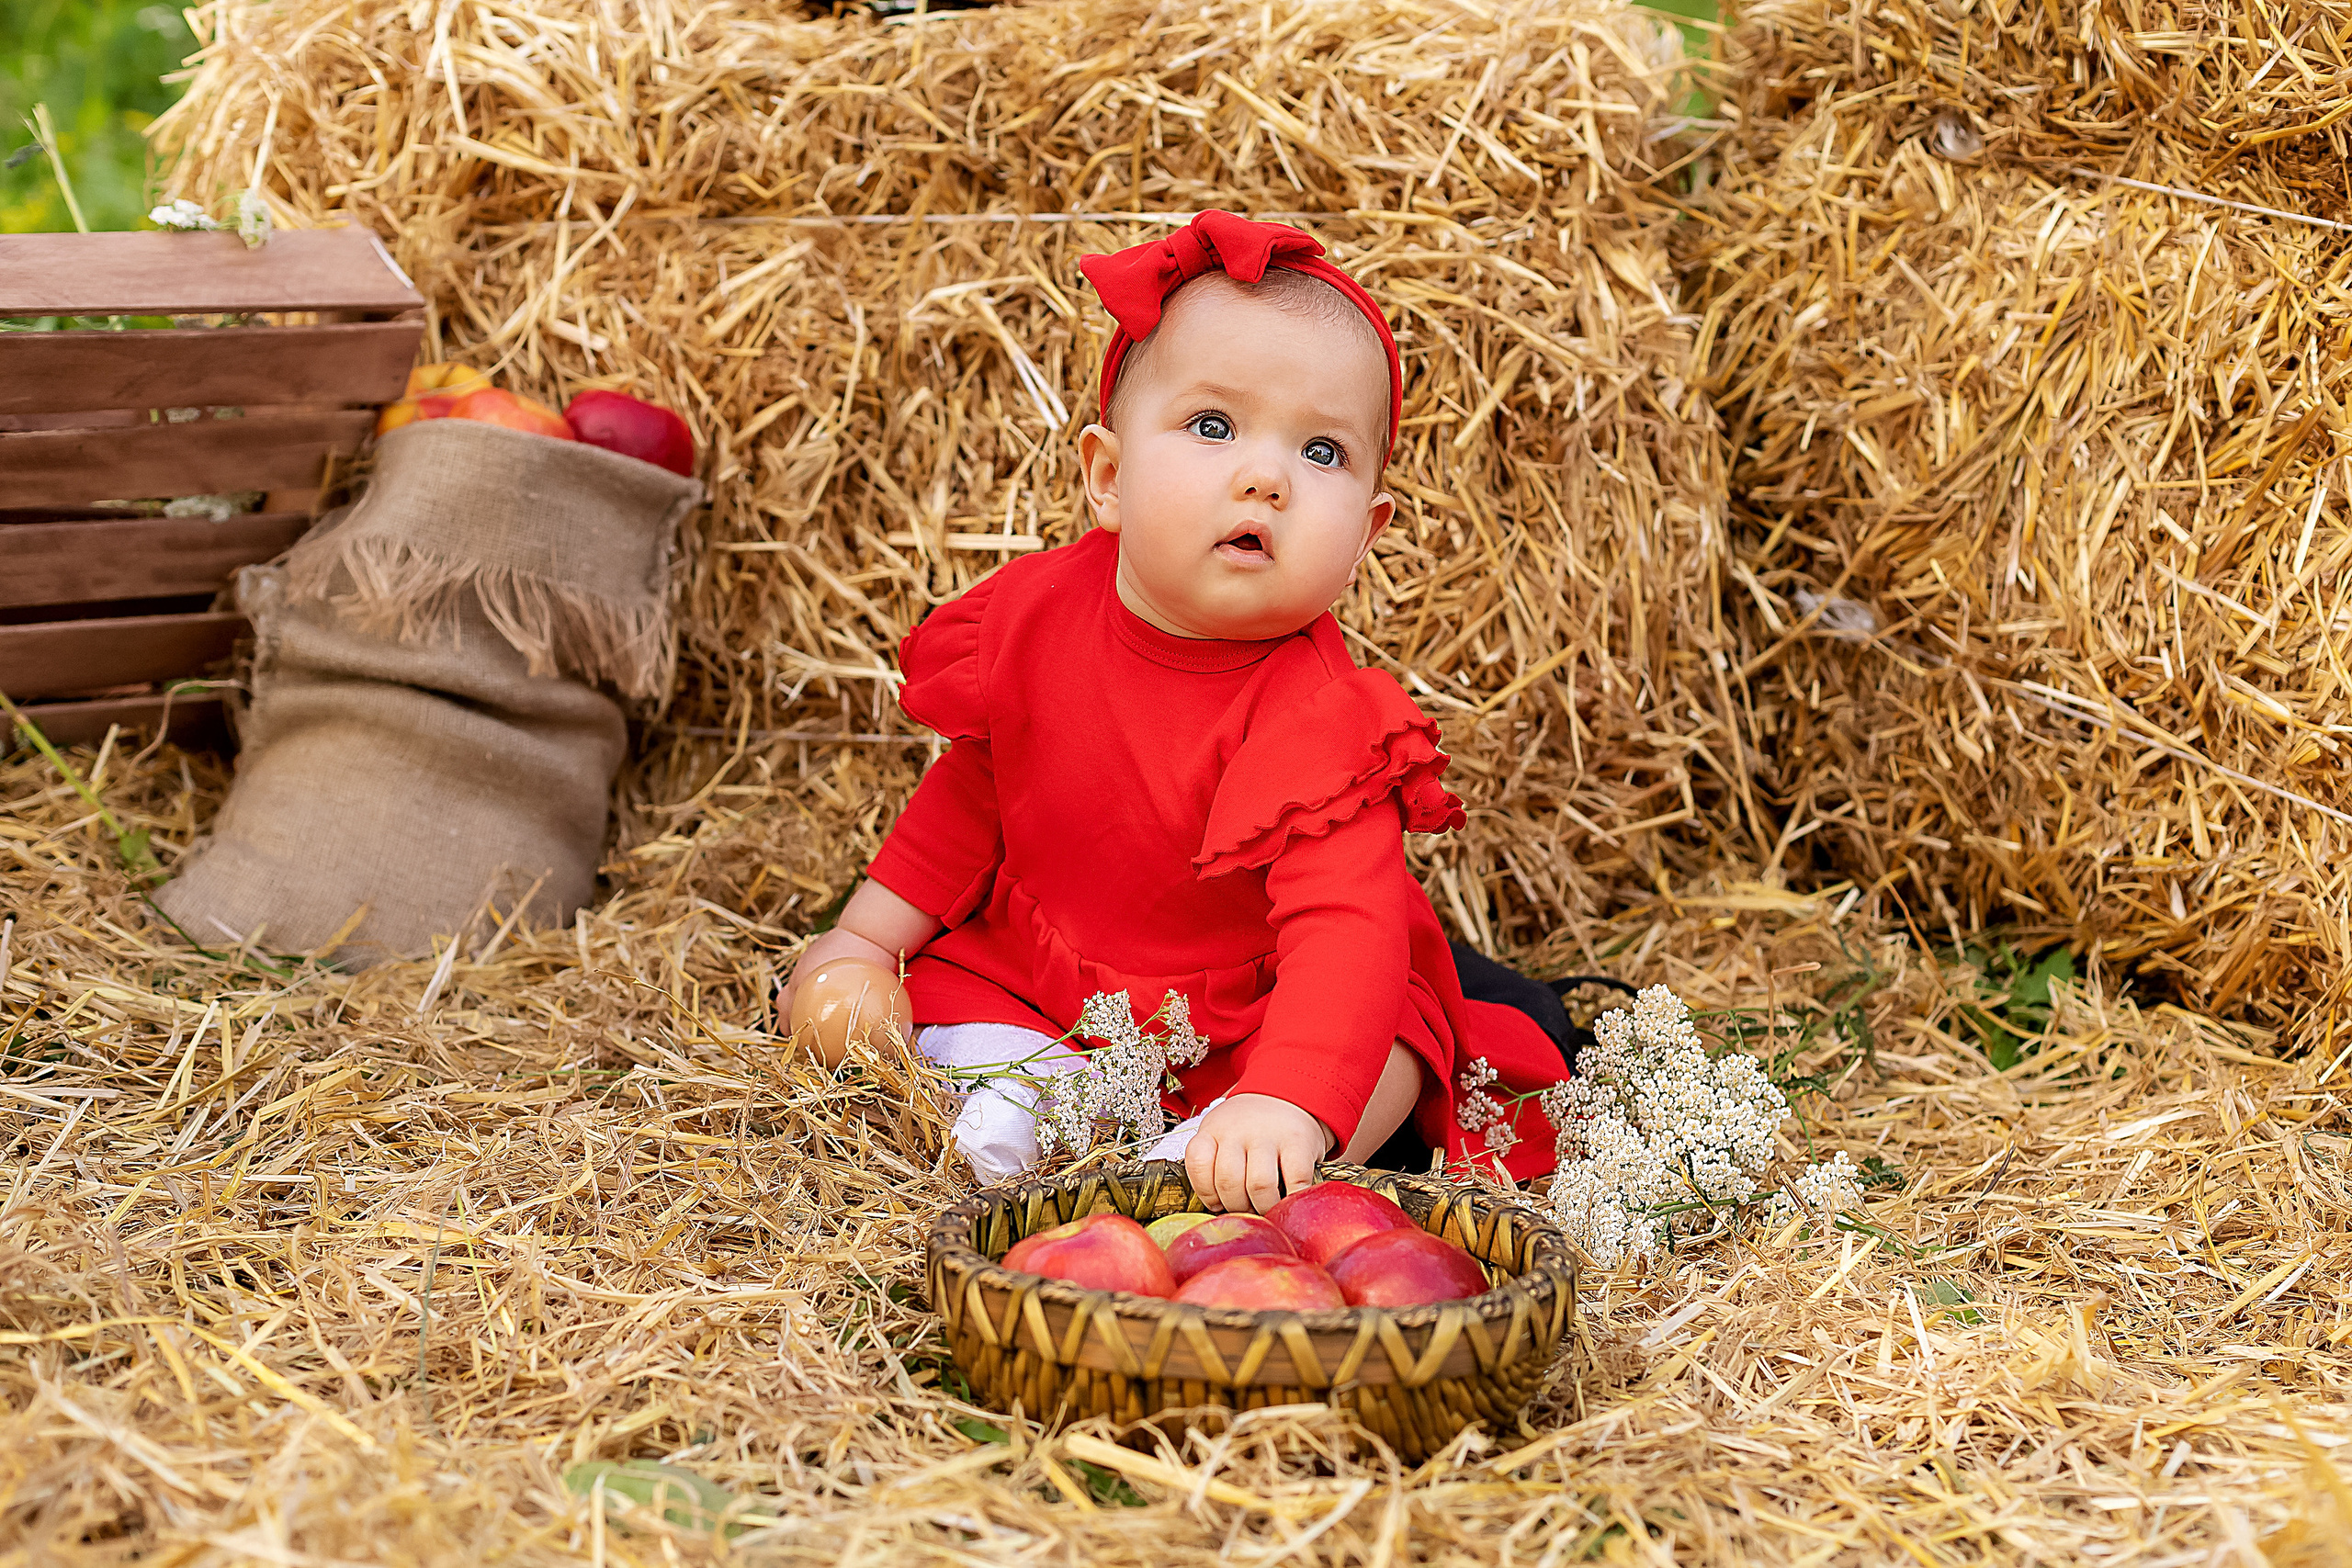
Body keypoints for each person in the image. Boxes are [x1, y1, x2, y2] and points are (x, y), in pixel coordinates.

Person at [775, 211, 1574, 1214]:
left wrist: (1288, 1098)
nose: (1265, 476)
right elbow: (972, 802)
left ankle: (1228, 1156)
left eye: (1322, 452)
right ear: (1107, 477)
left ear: (1367, 533)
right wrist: (862, 943)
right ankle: (1042, 1113)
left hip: (1260, 1016)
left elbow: (1344, 933)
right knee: (904, 1026)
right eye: (1212, 427)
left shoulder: (1322, 719)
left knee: (1384, 1061)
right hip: (1048, 982)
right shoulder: (1034, 621)